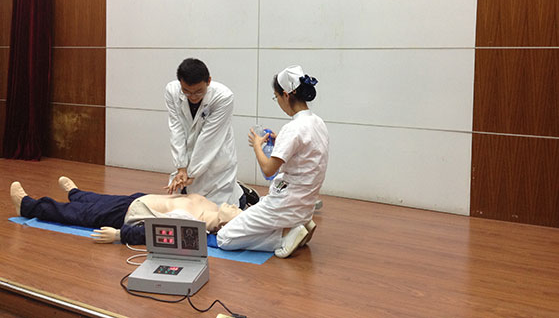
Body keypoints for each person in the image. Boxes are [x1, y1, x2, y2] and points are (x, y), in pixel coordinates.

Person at [215, 65, 329, 258]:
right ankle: (297, 227)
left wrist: (257, 146)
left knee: (224, 238)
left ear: (286, 95)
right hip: (304, 206)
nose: (278, 102)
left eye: (276, 97)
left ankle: (285, 236)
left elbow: (268, 170)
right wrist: (281, 143)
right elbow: (305, 155)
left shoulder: (293, 128)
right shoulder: (318, 122)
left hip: (286, 204)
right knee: (257, 207)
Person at [10, 177, 242, 245]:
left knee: (76, 214)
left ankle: (28, 206)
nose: (234, 206)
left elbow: (154, 233)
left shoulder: (195, 226)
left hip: (129, 215)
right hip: (140, 199)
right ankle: (76, 192)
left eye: (236, 212)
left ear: (224, 225)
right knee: (100, 199)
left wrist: (120, 235)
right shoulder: (213, 206)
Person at [165, 58, 257, 209]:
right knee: (184, 206)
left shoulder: (223, 97)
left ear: (208, 81)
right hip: (190, 156)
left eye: (198, 92)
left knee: (218, 210)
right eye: (186, 92)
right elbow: (176, 129)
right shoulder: (172, 91)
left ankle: (242, 196)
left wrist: (191, 173)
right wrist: (181, 167)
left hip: (215, 155)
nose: (193, 97)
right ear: (180, 83)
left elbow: (208, 140)